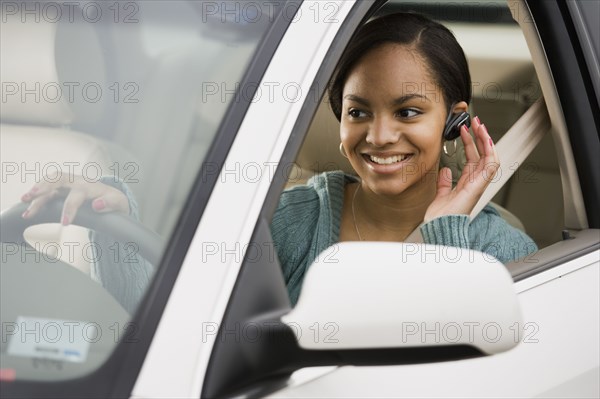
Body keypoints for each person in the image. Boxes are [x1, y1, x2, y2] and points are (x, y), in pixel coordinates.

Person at [20, 12, 537, 309]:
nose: (379, 136)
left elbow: (451, 368)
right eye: (358, 112)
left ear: (455, 120)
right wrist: (114, 217)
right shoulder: (292, 219)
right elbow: (187, 335)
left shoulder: (504, 252)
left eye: (408, 111)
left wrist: (442, 235)